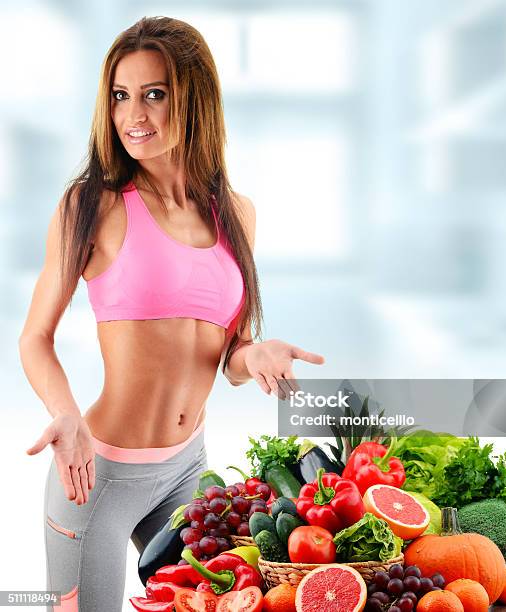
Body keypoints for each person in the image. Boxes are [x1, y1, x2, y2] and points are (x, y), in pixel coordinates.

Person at [18, 16, 324, 612]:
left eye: (154, 94)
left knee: (230, 602)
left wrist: (251, 353)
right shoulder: (93, 205)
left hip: (188, 471)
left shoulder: (237, 214)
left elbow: (228, 354)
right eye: (121, 96)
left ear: (194, 100)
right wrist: (66, 415)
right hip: (96, 474)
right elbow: (35, 337)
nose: (135, 114)